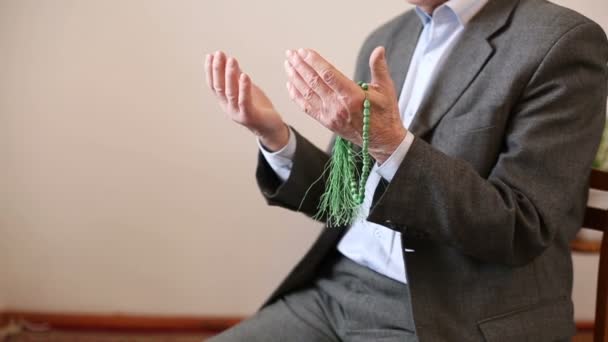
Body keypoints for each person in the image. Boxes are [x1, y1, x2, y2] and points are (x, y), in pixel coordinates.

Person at [204, 0, 608, 340]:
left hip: (449, 312)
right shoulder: (387, 39)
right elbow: (341, 200)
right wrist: (274, 134)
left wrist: (391, 144)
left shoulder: (562, 42)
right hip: (335, 291)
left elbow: (521, 226)